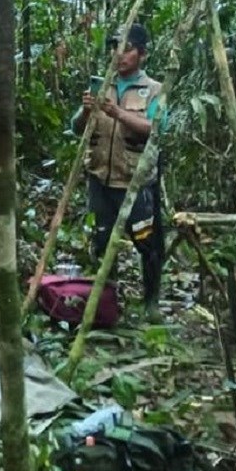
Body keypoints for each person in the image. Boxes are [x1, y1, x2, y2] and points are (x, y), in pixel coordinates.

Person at [70, 24, 167, 322]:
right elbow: (76, 128)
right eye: (115, 48)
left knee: (148, 245)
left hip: (135, 182)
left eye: (126, 49)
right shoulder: (104, 85)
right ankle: (107, 305)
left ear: (142, 54)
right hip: (101, 179)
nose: (119, 54)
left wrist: (118, 113)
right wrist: (87, 110)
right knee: (101, 243)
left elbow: (157, 130)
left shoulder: (154, 90)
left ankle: (150, 303)